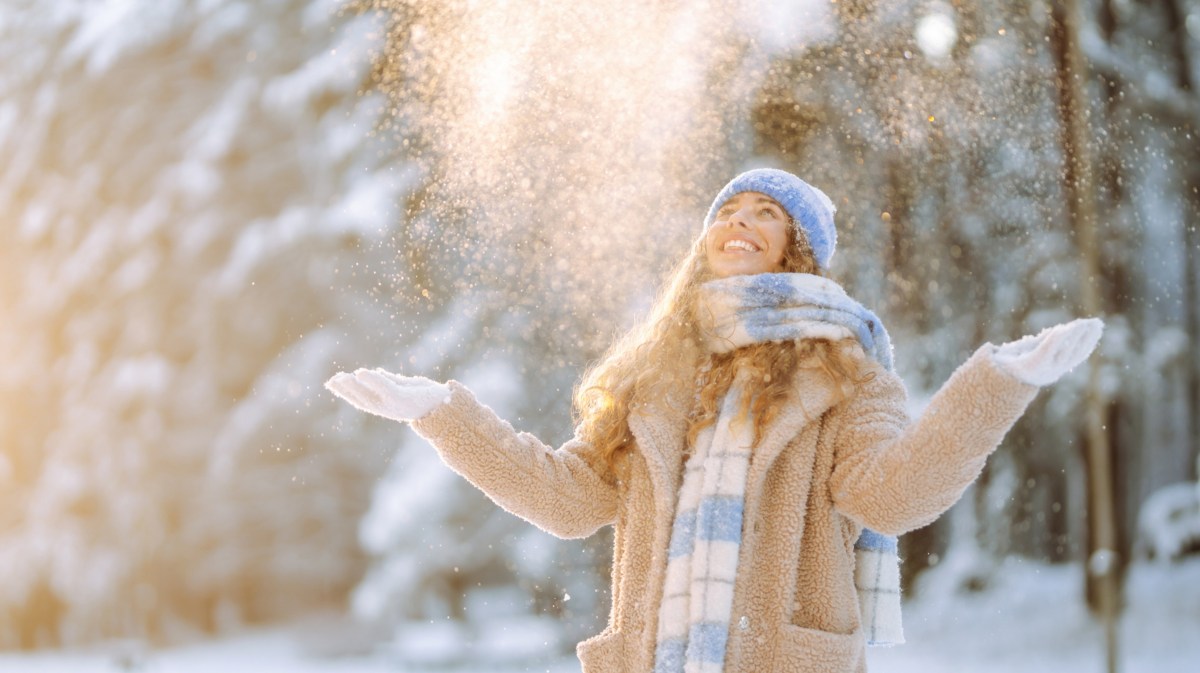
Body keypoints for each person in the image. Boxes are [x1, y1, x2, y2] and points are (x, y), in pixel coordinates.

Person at [326, 168, 1103, 673]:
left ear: (796, 248)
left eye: (765, 212)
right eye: (726, 210)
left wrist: (997, 383)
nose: (739, 220)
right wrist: (442, 414)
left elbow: (891, 496)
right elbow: (569, 499)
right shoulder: (654, 375)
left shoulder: (844, 371)